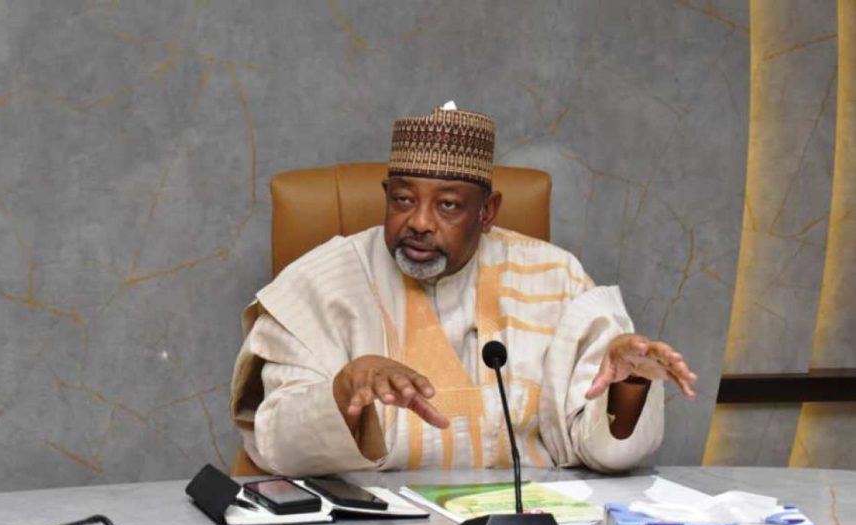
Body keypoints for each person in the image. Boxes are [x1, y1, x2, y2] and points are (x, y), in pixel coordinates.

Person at [229, 103, 697, 477]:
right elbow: (276, 445)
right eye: (403, 199)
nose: (419, 221)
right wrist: (343, 390)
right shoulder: (318, 283)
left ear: (487, 212)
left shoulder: (556, 277)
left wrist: (627, 385)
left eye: (448, 205)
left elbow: (601, 450)